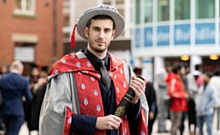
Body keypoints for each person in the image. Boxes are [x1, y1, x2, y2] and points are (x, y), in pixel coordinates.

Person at [39, 5, 148, 135]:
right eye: (96, 29)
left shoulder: (124, 70)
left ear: (112, 34)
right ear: (87, 31)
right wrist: (95, 122)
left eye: (106, 30)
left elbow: (135, 118)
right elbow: (53, 116)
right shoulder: (66, 70)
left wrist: (135, 103)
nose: (101, 35)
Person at [0, 60, 33, 135]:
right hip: (17, 109)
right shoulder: (24, 80)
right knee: (14, 132)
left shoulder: (3, 78)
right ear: (20, 69)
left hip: (5, 109)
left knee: (7, 131)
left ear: (11, 68)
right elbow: (29, 97)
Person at [165, 63, 189, 135]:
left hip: (180, 105)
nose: (184, 70)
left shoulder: (179, 79)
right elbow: (171, 92)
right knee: (175, 124)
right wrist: (183, 95)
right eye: (183, 69)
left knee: (177, 124)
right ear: (178, 70)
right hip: (175, 105)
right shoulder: (174, 79)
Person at [134, 67, 157, 135]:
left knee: (147, 127)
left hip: (147, 110)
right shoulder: (131, 85)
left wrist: (152, 111)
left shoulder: (148, 85)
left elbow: (153, 99)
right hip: (135, 112)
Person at [157, 61, 172, 133]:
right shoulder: (161, 73)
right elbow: (160, 83)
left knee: (165, 113)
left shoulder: (168, 74)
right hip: (161, 96)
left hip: (166, 96)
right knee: (161, 113)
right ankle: (160, 128)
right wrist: (168, 83)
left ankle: (164, 127)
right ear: (166, 66)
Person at [210, 69, 220, 134]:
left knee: (211, 115)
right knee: (218, 116)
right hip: (219, 100)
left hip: (211, 101)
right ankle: (218, 129)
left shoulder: (211, 80)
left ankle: (210, 128)